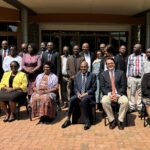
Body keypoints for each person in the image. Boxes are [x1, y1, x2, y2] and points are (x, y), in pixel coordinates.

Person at [62, 61, 97, 130]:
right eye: (82, 67)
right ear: (80, 67)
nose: (83, 68)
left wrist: (85, 94)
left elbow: (94, 88)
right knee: (72, 99)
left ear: (88, 67)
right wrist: (77, 93)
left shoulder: (92, 75)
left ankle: (87, 121)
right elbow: (75, 87)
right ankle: (68, 119)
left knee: (84, 100)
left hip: (88, 95)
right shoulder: (77, 75)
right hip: (79, 94)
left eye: (85, 67)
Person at [101, 57, 129, 130]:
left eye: (111, 63)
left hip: (119, 94)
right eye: (108, 63)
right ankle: (112, 120)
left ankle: (120, 120)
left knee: (125, 101)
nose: (110, 65)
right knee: (104, 101)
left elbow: (123, 86)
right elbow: (102, 87)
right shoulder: (103, 74)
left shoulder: (121, 73)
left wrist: (117, 95)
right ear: (106, 65)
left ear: (114, 64)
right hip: (108, 94)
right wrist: (110, 94)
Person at [126, 44, 146, 112]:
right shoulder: (130, 56)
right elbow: (128, 67)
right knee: (131, 93)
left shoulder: (145, 56)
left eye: (135, 47)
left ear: (140, 49)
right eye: (133, 47)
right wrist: (128, 77)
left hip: (142, 78)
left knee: (141, 93)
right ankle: (131, 107)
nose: (134, 48)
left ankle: (139, 107)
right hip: (132, 77)